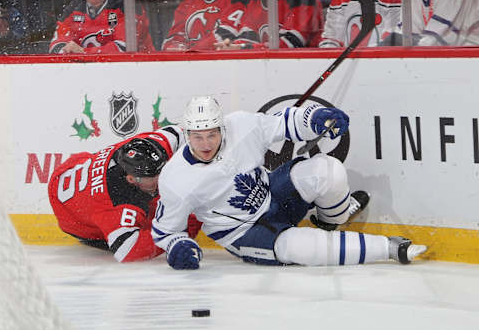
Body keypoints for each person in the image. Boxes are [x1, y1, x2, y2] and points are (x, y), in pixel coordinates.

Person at [151, 96, 427, 270]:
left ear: (222, 128)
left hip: (273, 196)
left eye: (212, 135)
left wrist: (316, 119)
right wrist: (178, 248)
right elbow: (166, 231)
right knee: (299, 248)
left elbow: (286, 123)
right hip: (243, 233)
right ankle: (389, 248)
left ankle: (332, 220)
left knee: (329, 170)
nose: (206, 144)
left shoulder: (240, 125)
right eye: (198, 137)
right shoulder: (176, 179)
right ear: (186, 134)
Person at [48, 126, 202, 262]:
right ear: (131, 179)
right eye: (155, 177)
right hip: (73, 218)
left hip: (72, 167)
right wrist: (180, 232)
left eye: (163, 170)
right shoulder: (117, 203)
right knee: (158, 220)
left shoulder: (150, 147)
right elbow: (128, 250)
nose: (163, 178)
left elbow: (178, 133)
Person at [49, 0, 155, 54]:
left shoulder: (127, 4)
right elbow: (56, 45)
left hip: (137, 71)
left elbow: (124, 49)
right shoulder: (74, 9)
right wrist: (66, 51)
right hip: (89, 72)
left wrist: (83, 52)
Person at [215, 0, 323, 50]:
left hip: (303, 70)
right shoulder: (255, 1)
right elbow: (248, 36)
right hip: (270, 66)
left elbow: (291, 44)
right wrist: (231, 46)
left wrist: (243, 47)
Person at [381, 0, 479, 46]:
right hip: (443, 63)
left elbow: (435, 42)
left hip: (468, 66)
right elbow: (408, 34)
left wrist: (392, 41)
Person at [161, 0, 250, 51]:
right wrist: (175, 48)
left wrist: (190, 52)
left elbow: (222, 36)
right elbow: (171, 40)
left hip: (221, 66)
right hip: (189, 64)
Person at [316, 0, 401, 48]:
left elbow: (392, 39)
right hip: (347, 66)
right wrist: (329, 59)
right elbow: (331, 38)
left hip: (382, 65)